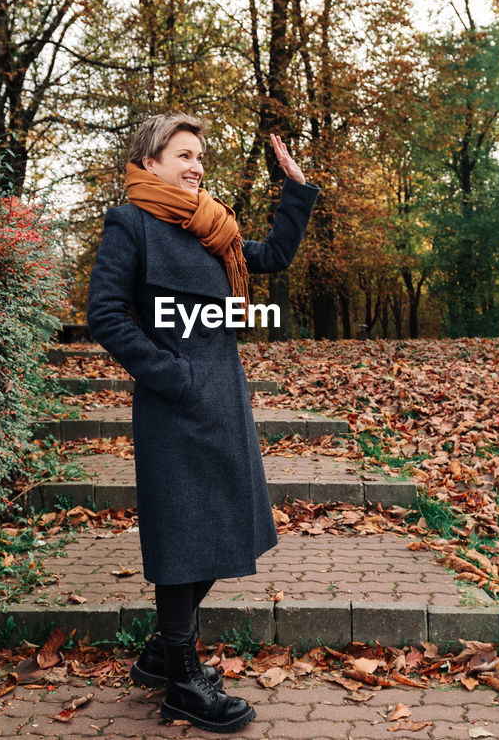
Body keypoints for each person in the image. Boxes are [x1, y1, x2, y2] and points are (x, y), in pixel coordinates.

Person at [86, 114, 318, 733]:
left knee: (226, 521)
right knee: (184, 535)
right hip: (174, 403)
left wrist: (295, 193)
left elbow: (268, 257)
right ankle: (184, 678)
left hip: (225, 399)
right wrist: (175, 375)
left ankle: (164, 650)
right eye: (183, 155)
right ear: (149, 161)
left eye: (200, 159)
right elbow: (106, 317)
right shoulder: (129, 223)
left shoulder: (210, 224)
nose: (195, 167)